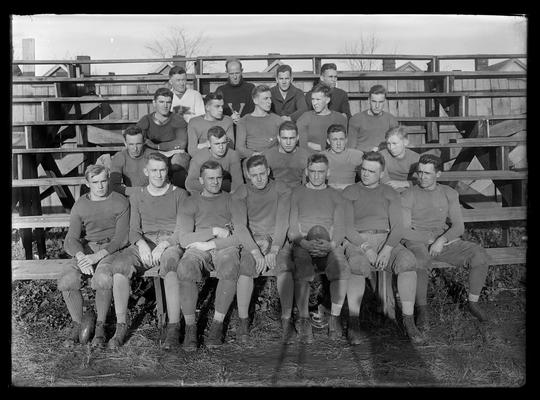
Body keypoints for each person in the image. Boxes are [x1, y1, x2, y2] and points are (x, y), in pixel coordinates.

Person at [400, 154, 491, 331]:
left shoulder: (449, 193)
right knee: (420, 260)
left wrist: (442, 239)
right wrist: (428, 240)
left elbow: (458, 227)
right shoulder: (408, 194)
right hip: (417, 239)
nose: (422, 177)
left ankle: (473, 303)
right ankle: (422, 311)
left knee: (479, 255)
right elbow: (404, 230)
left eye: (427, 173)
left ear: (438, 174)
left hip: (441, 240)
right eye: (420, 172)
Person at [108, 152, 189, 350]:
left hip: (170, 242)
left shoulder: (179, 194)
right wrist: (142, 245)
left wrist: (164, 245)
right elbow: (134, 229)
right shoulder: (138, 196)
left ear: (167, 171)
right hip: (144, 241)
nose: (159, 175)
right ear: (146, 171)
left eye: (162, 170)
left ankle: (173, 326)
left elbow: (182, 229)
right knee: (120, 266)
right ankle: (121, 325)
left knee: (171, 265)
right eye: (154, 170)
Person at [342, 152, 423, 345]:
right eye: (364, 169)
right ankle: (354, 323)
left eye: (371, 171)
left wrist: (387, 249)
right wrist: (367, 248)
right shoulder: (350, 191)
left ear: (381, 173)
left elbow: (397, 227)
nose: (366, 174)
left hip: (386, 238)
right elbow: (346, 226)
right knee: (357, 264)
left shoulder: (389, 192)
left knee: (408, 262)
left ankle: (409, 322)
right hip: (357, 239)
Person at [175, 161, 258, 350]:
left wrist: (212, 243)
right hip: (198, 246)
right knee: (185, 268)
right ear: (201, 180)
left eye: (219, 178)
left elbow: (240, 234)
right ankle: (190, 328)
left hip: (224, 246)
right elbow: (185, 238)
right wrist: (213, 231)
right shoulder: (190, 202)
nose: (215, 182)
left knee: (230, 265)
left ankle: (217, 326)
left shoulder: (232, 200)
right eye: (210, 178)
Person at [56, 164, 129, 348]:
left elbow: (121, 238)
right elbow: (71, 238)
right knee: (67, 279)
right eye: (95, 182)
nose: (100, 186)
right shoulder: (81, 204)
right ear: (87, 183)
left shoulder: (120, 201)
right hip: (87, 248)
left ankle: (100, 325)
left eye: (104, 181)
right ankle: (78, 324)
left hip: (110, 249)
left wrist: (98, 257)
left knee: (103, 278)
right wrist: (81, 256)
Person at [232, 154, 295, 343]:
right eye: (254, 175)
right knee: (245, 270)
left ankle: (286, 319)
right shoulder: (241, 193)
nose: (259, 178)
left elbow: (282, 222)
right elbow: (241, 227)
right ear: (248, 175)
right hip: (254, 240)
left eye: (262, 173)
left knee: (284, 268)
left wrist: (275, 248)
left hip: (277, 238)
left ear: (268, 171)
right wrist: (254, 251)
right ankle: (243, 321)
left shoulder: (281, 189)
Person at [289, 153, 350, 343]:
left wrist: (331, 244)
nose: (316, 176)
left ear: (328, 172)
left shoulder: (335, 195)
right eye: (313, 172)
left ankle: (335, 318)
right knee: (302, 268)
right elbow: (292, 228)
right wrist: (304, 242)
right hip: (304, 241)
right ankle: (305, 319)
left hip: (328, 242)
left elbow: (340, 227)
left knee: (342, 267)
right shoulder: (297, 193)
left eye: (321, 172)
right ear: (307, 171)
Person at [136, 87, 191, 189]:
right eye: (161, 102)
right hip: (152, 154)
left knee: (180, 162)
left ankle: (178, 194)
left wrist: (157, 146)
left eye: (168, 102)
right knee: (143, 163)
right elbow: (138, 139)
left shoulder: (177, 119)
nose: (165, 105)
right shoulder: (146, 120)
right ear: (154, 103)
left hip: (174, 154)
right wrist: (152, 148)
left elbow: (181, 143)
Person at [185, 126, 243, 194]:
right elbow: (190, 183)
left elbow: (238, 183)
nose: (221, 147)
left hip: (225, 193)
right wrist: (214, 187)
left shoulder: (233, 155)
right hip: (205, 194)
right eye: (217, 144)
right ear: (209, 144)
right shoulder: (200, 157)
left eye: (223, 143)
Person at [236, 85, 283, 160]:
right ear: (255, 100)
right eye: (265, 98)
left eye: (270, 98)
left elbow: (283, 144)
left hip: (273, 159)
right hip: (252, 161)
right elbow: (239, 148)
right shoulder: (244, 121)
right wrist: (254, 154)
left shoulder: (277, 120)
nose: (270, 102)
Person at [297, 83, 348, 152]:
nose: (314, 103)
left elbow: (341, 146)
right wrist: (327, 147)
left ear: (327, 100)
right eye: (313, 99)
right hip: (311, 159)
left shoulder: (340, 118)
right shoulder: (304, 118)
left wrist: (319, 147)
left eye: (318, 99)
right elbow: (303, 146)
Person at [348, 84, 399, 153]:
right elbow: (351, 149)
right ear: (369, 100)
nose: (377, 106)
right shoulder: (356, 119)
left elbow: (395, 146)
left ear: (385, 102)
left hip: (384, 158)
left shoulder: (391, 120)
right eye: (374, 101)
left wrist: (380, 149)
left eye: (380, 102)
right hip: (362, 158)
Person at [261, 121, 312, 189]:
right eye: (284, 138)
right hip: (275, 193)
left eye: (291, 138)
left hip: (298, 193)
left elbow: (307, 183)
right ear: (279, 138)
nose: (288, 143)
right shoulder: (268, 156)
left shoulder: (306, 156)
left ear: (297, 138)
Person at [187, 92, 235, 156]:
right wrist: (216, 144)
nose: (221, 110)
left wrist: (203, 145)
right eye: (217, 106)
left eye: (222, 106)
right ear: (207, 107)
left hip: (223, 158)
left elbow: (230, 147)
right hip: (202, 160)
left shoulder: (227, 120)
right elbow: (192, 151)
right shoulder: (194, 122)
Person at [110, 126, 153, 196]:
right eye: (131, 144)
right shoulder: (120, 157)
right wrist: (140, 191)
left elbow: (163, 182)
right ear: (125, 143)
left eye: (138, 144)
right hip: (131, 196)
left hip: (152, 195)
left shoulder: (152, 156)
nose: (135, 148)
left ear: (144, 142)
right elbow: (114, 186)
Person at [380, 126, 420, 193]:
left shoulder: (415, 157)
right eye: (388, 144)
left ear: (405, 142)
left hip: (409, 191)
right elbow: (385, 182)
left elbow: (421, 180)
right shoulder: (382, 155)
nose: (391, 148)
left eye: (394, 143)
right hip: (388, 191)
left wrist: (404, 183)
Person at [324, 124, 364, 190]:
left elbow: (367, 179)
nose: (338, 143)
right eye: (334, 139)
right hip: (328, 193)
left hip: (350, 192)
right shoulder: (321, 157)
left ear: (346, 140)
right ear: (328, 141)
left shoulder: (357, 155)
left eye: (341, 139)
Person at [216, 58, 255, 124]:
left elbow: (255, 111)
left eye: (237, 73)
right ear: (227, 73)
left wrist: (242, 120)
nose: (235, 77)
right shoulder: (221, 90)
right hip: (227, 127)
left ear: (242, 71)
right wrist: (229, 119)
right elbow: (216, 112)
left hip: (248, 125)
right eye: (231, 74)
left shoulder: (250, 88)